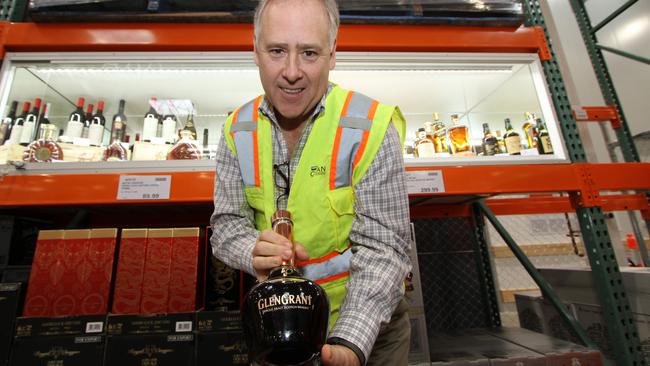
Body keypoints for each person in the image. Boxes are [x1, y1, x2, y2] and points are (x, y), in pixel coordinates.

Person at [210, 0, 412, 365]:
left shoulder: (371, 128)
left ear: (332, 54)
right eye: (276, 51)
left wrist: (348, 343)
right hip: (275, 327)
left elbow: (386, 251)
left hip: (368, 333)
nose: (291, 72)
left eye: (309, 53)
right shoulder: (235, 129)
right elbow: (225, 227)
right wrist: (251, 251)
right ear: (254, 51)